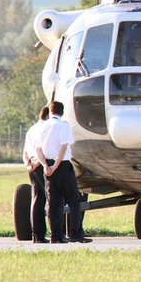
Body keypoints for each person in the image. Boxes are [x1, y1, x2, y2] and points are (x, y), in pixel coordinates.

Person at [35, 101, 91, 243]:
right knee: (74, 200)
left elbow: (38, 149)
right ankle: (75, 233)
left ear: (51, 111)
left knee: (53, 203)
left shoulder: (42, 127)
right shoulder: (64, 126)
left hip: (47, 165)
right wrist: (56, 165)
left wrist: (46, 166)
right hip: (63, 166)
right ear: (62, 112)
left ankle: (56, 236)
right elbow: (63, 147)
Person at [22, 105, 50, 243]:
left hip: (32, 165)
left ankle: (36, 235)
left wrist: (28, 165)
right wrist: (39, 164)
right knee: (50, 198)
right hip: (40, 164)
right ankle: (55, 232)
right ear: (48, 116)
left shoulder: (31, 129)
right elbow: (42, 150)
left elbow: (25, 150)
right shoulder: (45, 129)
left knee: (37, 199)